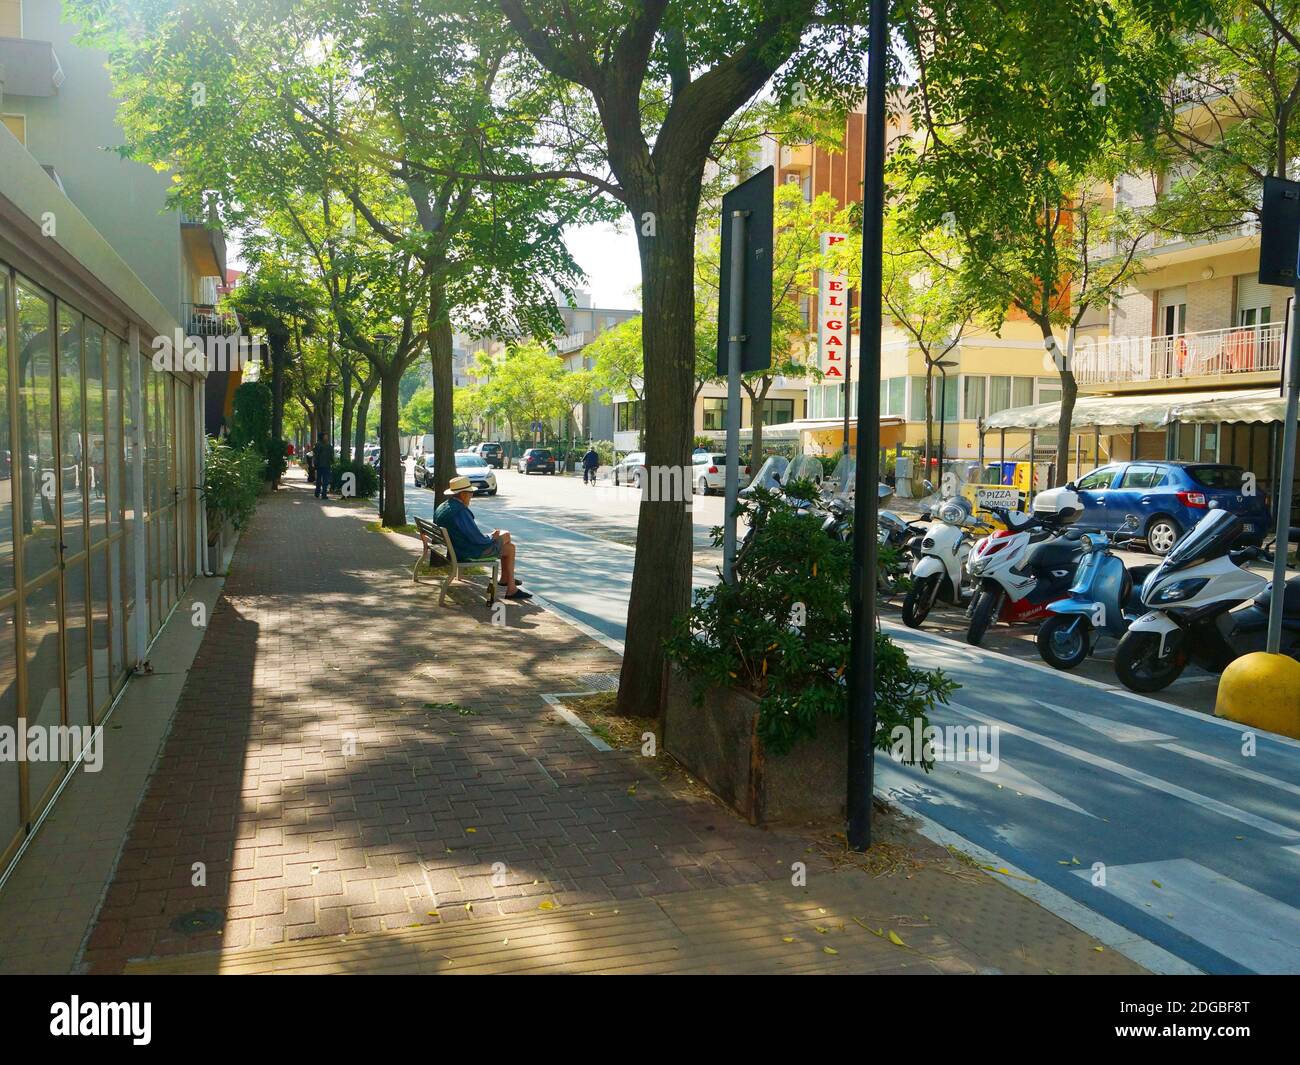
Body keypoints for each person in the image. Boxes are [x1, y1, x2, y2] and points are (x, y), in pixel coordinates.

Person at [435, 475, 530, 599]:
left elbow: (470, 534)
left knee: (505, 536)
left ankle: (505, 579)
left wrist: (491, 536)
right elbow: (477, 539)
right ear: (463, 494)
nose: (471, 497)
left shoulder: (445, 506)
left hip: (455, 548)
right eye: (470, 493)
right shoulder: (461, 512)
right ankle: (510, 588)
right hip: (467, 552)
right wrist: (491, 537)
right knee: (510, 546)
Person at [312, 433, 334, 499]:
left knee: (323, 480)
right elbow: (316, 454)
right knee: (322, 480)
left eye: (327, 436)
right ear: (322, 437)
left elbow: (331, 455)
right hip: (322, 465)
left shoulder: (319, 445)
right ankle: (321, 493)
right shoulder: (325, 445)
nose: (326, 437)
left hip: (324, 465)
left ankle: (320, 493)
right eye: (325, 436)